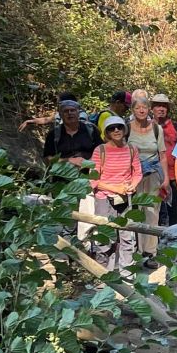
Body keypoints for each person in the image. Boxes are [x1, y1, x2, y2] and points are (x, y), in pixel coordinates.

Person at [43, 96, 101, 240]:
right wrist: (69, 160)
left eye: (73, 110)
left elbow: (102, 151)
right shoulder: (54, 134)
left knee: (87, 217)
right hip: (62, 182)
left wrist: (90, 163)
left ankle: (85, 247)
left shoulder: (91, 130)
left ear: (78, 112)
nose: (70, 114)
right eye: (66, 111)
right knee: (67, 217)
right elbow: (47, 159)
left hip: (87, 180)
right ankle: (66, 250)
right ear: (61, 115)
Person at [89, 116, 141, 272]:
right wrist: (115, 188)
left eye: (119, 127)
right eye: (112, 128)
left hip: (125, 198)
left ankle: (127, 272)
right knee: (106, 237)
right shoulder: (100, 150)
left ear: (124, 129)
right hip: (104, 198)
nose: (116, 130)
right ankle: (103, 273)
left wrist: (133, 185)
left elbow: (137, 172)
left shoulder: (132, 149)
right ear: (106, 132)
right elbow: (93, 179)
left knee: (128, 236)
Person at [127, 97, 168, 270]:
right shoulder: (126, 128)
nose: (142, 110)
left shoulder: (157, 129)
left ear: (149, 109)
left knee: (152, 213)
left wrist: (165, 178)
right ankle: (132, 252)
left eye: (145, 107)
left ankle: (150, 253)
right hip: (131, 175)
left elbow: (163, 155)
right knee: (133, 212)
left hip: (152, 174)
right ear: (133, 110)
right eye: (138, 108)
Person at [151, 94, 177, 227]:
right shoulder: (145, 127)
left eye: (164, 106)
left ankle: (173, 241)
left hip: (173, 177)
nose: (161, 109)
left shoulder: (176, 127)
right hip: (152, 176)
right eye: (158, 105)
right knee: (153, 212)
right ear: (152, 108)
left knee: (174, 213)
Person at [20, 90, 89, 131]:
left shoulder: (81, 115)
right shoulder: (62, 114)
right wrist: (30, 121)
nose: (57, 105)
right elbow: (46, 120)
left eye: (59, 103)